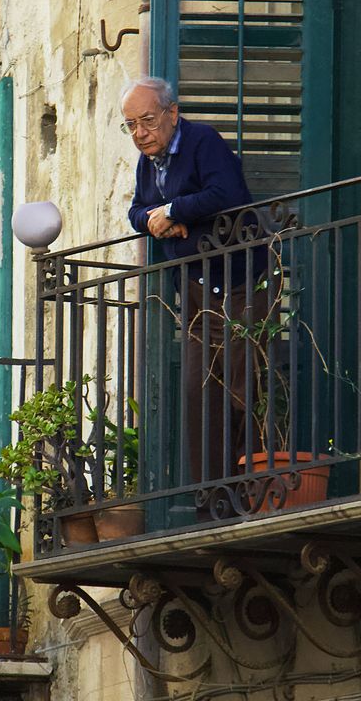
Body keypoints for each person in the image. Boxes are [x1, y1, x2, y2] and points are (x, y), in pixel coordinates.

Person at [122, 76, 271, 492]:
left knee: (246, 385)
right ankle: (212, 497)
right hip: (194, 293)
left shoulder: (203, 142)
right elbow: (136, 210)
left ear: (172, 113)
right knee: (198, 393)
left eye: (147, 120)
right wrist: (156, 220)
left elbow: (228, 192)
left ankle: (256, 488)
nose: (140, 133)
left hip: (239, 282)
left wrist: (173, 210)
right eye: (131, 125)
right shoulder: (147, 162)